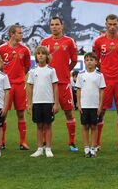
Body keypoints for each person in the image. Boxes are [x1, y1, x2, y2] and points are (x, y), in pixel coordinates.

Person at [92, 14, 118, 152]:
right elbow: (95, 60)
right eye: (109, 24)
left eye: (114, 24)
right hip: (105, 81)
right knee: (101, 111)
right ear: (105, 24)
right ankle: (97, 144)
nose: (112, 27)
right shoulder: (98, 42)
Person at [40, 17, 79, 152]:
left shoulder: (69, 41)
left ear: (62, 26)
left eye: (57, 24)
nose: (54, 27)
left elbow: (74, 60)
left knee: (69, 113)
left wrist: (65, 71)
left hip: (63, 83)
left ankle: (72, 142)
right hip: (47, 84)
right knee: (46, 114)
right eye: (52, 25)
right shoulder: (44, 42)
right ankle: (44, 142)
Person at [0, 24, 31, 150]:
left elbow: (27, 67)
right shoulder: (1, 49)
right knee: (3, 113)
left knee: (21, 113)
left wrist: (19, 78)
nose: (21, 35)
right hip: (6, 86)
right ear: (12, 34)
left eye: (22, 33)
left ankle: (22, 142)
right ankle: (2, 141)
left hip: (20, 85)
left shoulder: (25, 50)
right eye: (19, 33)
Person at [27, 46, 59, 158]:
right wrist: (29, 103)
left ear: (47, 56)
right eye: (38, 53)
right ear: (35, 56)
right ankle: (40, 148)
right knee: (39, 125)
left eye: (43, 53)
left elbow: (55, 87)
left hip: (48, 102)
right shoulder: (32, 71)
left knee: (48, 125)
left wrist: (56, 103)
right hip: (36, 102)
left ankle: (48, 148)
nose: (40, 55)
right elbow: (30, 87)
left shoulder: (51, 70)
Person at [76, 52, 106, 158]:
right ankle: (86, 148)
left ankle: (93, 149)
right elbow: (78, 90)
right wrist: (78, 104)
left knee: (94, 126)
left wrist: (100, 105)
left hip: (94, 106)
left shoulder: (99, 75)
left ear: (96, 62)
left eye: (91, 60)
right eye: (87, 60)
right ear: (84, 62)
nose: (89, 62)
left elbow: (102, 91)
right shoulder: (80, 75)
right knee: (85, 126)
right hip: (84, 105)